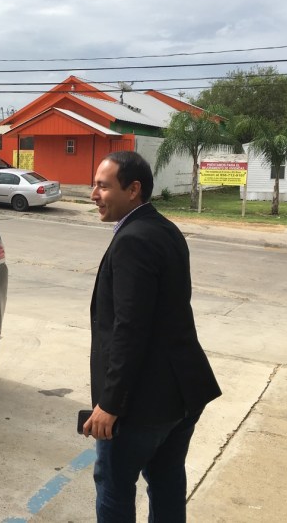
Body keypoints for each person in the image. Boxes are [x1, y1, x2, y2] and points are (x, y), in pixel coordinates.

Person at [83, 151, 222, 522]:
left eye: (103, 185)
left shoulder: (134, 240)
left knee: (113, 485)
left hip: (145, 402)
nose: (93, 194)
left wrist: (110, 404)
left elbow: (130, 328)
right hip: (182, 393)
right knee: (166, 478)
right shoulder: (163, 227)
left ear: (134, 190)